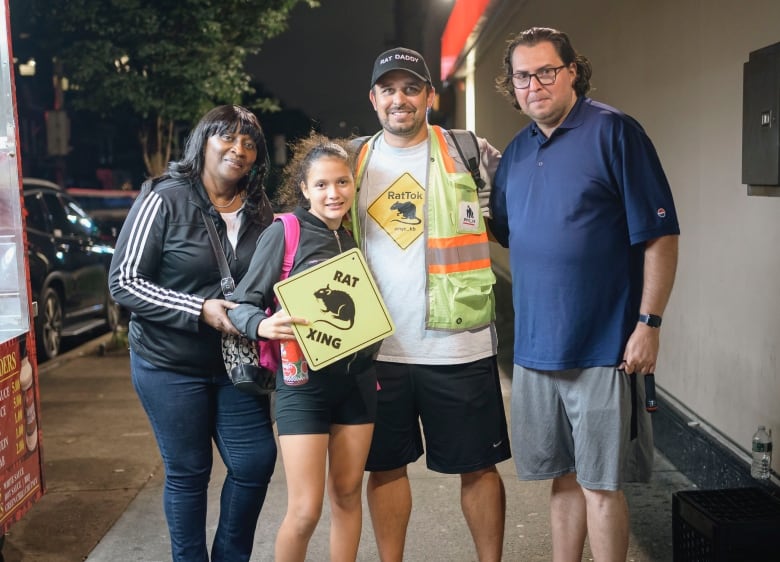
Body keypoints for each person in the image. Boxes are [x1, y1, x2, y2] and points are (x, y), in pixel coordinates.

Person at [491, 27, 680, 561]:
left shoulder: (615, 132)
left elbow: (661, 235)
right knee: (562, 479)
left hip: (604, 348)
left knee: (601, 483)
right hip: (534, 350)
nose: (534, 85)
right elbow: (510, 232)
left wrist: (649, 323)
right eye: (522, 76)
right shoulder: (516, 154)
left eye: (546, 71)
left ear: (573, 70)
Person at [350, 47, 511, 562]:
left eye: (411, 88)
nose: (400, 99)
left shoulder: (469, 151)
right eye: (389, 89)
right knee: (385, 467)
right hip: (378, 348)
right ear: (374, 99)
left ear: (429, 96)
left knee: (478, 468)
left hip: (458, 344)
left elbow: (524, 216)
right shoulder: (350, 159)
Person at [108, 105, 277, 562]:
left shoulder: (260, 206)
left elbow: (272, 277)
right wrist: (198, 308)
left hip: (236, 364)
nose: (238, 150)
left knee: (255, 462)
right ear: (203, 140)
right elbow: (123, 280)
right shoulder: (164, 197)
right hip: (169, 363)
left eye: (249, 144)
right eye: (227, 138)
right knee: (189, 472)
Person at [228, 133, 379, 562]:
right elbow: (241, 305)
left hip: (357, 384)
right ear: (305, 188)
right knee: (305, 510)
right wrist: (262, 324)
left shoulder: (353, 236)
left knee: (348, 496)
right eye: (322, 185)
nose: (334, 193)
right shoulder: (286, 231)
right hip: (301, 387)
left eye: (343, 182)